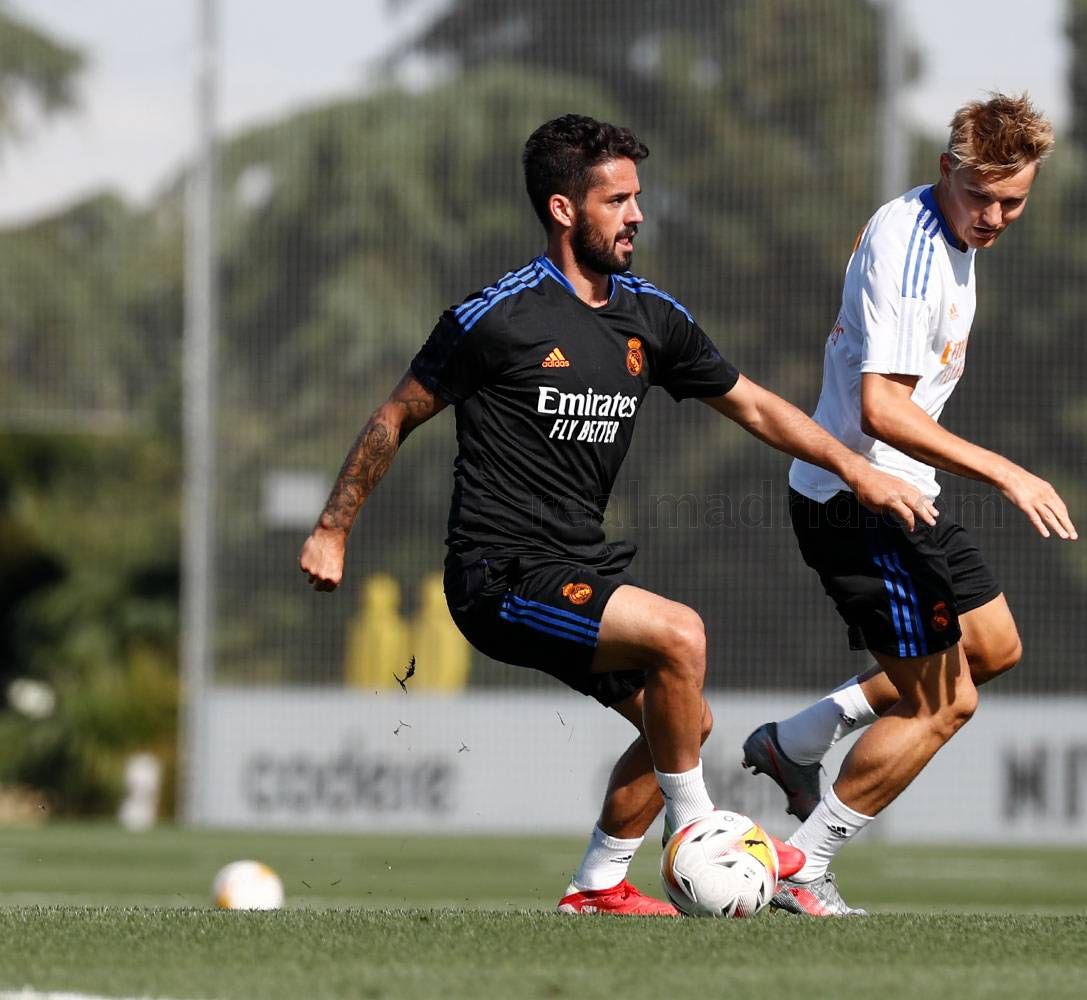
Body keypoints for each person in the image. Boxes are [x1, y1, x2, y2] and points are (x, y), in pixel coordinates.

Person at [298, 114, 936, 916]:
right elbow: (395, 415)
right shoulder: (497, 316)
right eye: (617, 200)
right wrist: (332, 528)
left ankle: (596, 886)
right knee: (681, 634)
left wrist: (853, 467)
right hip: (498, 576)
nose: (637, 214)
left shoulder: (648, 316)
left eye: (637, 197)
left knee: (686, 720)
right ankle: (697, 829)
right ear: (564, 209)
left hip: (575, 564)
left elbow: (754, 406)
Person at [740, 94, 1078, 916]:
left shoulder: (953, 233)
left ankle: (797, 741)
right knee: (945, 702)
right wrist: (1007, 473)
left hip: (904, 493)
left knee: (992, 648)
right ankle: (803, 865)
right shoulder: (916, 249)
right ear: (944, 171)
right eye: (980, 196)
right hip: (858, 498)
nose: (994, 216)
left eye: (1013, 201)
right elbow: (882, 409)